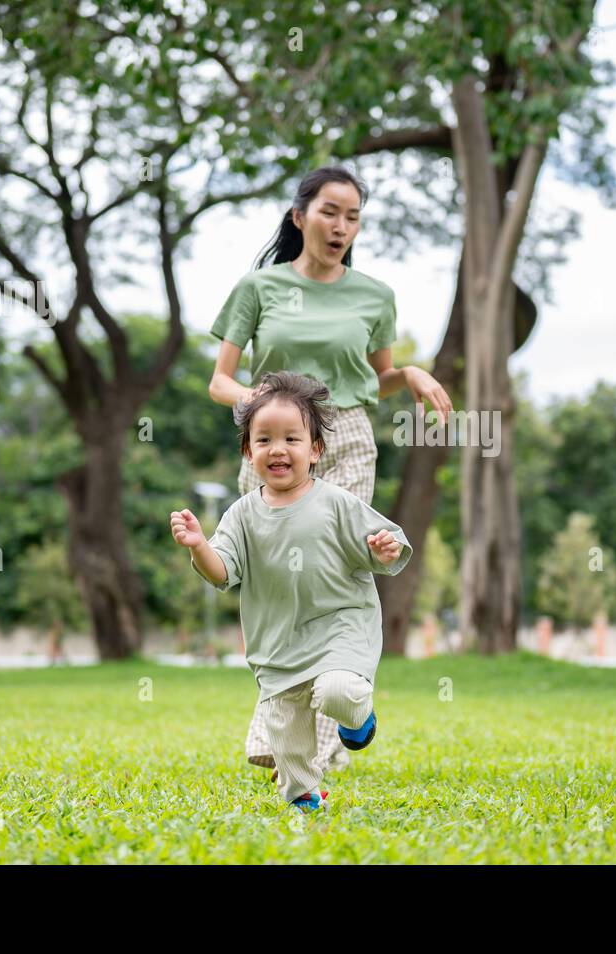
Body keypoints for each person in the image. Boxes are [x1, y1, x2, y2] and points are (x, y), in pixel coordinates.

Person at [207, 166, 452, 779]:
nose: (341, 226)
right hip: (274, 437)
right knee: (270, 574)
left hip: (343, 437)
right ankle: (290, 711)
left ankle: (313, 741)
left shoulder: (373, 295)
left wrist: (413, 375)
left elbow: (378, 375)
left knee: (334, 567)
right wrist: (262, 413)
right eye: (329, 212)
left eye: (353, 216)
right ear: (300, 217)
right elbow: (219, 380)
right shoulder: (259, 288)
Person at [171, 371, 413, 812]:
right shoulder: (241, 515)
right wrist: (199, 546)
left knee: (338, 691)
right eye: (263, 440)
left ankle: (359, 722)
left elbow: (388, 547)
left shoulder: (336, 502)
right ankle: (305, 799)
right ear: (248, 451)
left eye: (292, 439)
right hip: (278, 647)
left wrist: (383, 548)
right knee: (287, 740)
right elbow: (222, 572)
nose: (277, 449)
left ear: (315, 449)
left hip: (341, 628)